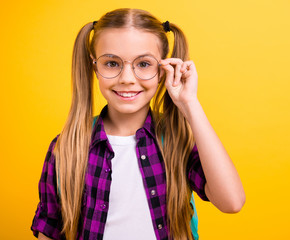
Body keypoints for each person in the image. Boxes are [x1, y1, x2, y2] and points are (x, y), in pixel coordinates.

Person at [30, 8, 245, 240]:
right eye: (112, 63)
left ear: (162, 70)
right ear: (95, 68)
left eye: (143, 64)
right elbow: (50, 228)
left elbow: (231, 202)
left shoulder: (176, 140)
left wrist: (189, 103)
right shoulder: (66, 148)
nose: (127, 78)